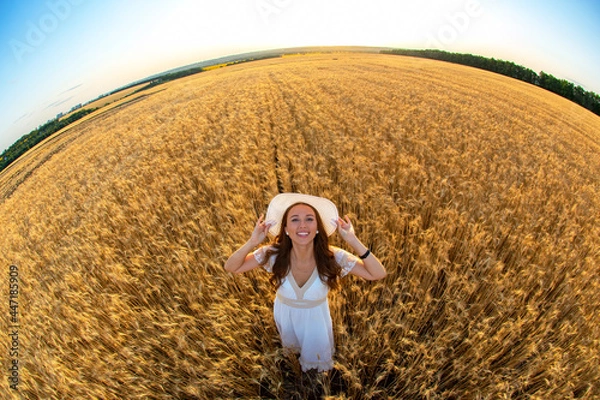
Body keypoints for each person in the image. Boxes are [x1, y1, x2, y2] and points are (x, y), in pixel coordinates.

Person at [224, 193, 387, 376]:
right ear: (285, 229)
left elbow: (378, 273)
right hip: (285, 319)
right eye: (295, 220)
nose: (302, 225)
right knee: (291, 364)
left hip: (316, 324)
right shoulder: (273, 254)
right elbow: (231, 267)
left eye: (309, 219)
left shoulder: (332, 257)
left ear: (317, 227)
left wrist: (352, 240)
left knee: (317, 372)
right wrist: (252, 242)